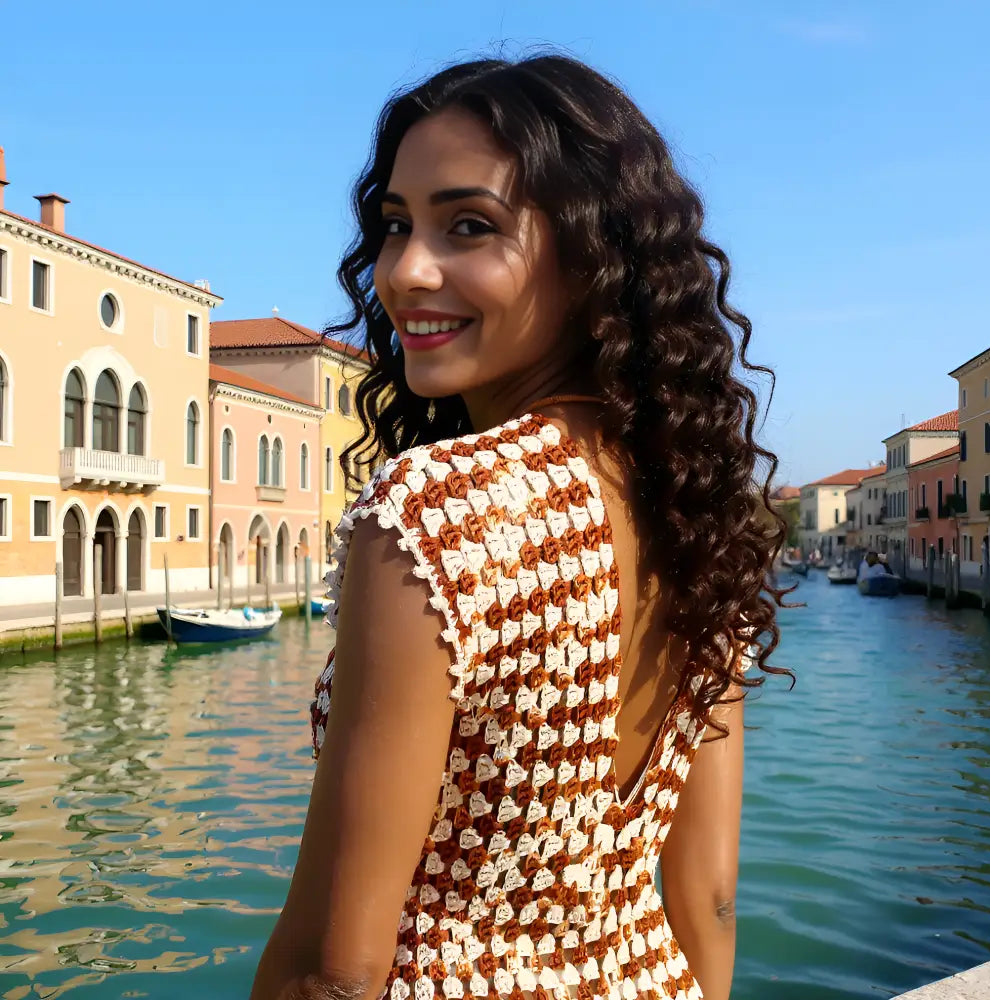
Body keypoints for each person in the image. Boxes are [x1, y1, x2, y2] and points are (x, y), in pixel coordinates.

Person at [251, 55, 790, 1000]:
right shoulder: (701, 510)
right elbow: (707, 898)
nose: (406, 271)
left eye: (469, 227)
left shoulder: (434, 511)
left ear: (592, 257)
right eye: (395, 226)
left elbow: (334, 971)